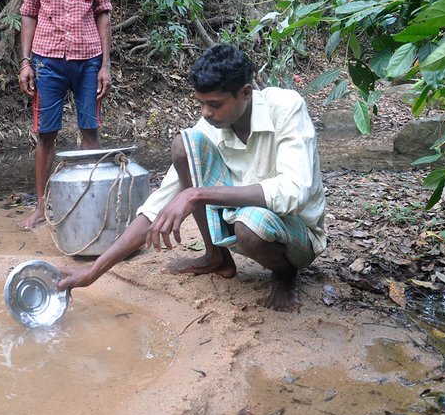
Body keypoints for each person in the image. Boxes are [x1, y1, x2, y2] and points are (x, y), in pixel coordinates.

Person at [57, 43, 327, 311]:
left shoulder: (287, 108)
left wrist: (196, 194)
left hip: (298, 234)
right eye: (200, 103)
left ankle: (284, 273)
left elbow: (294, 192)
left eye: (215, 104)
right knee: (183, 146)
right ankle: (216, 256)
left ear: (245, 93)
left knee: (248, 226)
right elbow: (157, 207)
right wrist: (94, 271)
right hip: (246, 217)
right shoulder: (211, 125)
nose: (205, 112)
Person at [17, 0, 113, 231]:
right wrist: (25, 62)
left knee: (90, 131)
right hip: (47, 59)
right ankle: (41, 208)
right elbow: (29, 11)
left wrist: (105, 64)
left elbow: (103, 11)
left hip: (88, 59)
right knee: (46, 134)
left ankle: (92, 204)